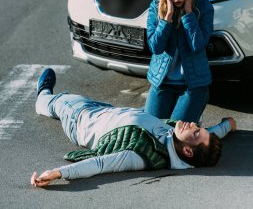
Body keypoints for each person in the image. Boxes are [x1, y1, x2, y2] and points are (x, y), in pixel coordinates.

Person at [31, 69, 236, 187]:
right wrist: (226, 126)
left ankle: (42, 95)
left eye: (196, 131)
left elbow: (99, 165)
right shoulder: (178, 143)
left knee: (57, 102)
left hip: (80, 118)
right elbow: (211, 136)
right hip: (111, 111)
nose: (193, 124)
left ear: (189, 150)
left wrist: (58, 173)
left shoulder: (139, 155)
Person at [144, 0, 214, 122]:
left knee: (176, 135)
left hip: (193, 85)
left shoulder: (204, 7)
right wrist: (167, 17)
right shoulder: (156, 7)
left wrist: (189, 13)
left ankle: (223, 126)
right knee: (151, 131)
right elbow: (156, 47)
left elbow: (198, 45)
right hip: (162, 83)